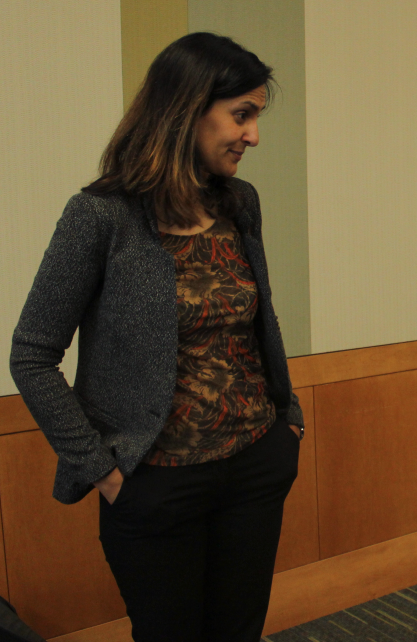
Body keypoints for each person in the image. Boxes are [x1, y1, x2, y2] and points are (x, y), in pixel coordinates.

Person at [10, 33, 304, 642]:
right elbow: (31, 355)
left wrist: (288, 420)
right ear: (187, 111)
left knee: (239, 632)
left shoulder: (239, 203)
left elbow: (257, 320)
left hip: (255, 464)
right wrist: (101, 470)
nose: (253, 136)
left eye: (256, 116)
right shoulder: (101, 216)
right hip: (154, 485)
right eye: (241, 116)